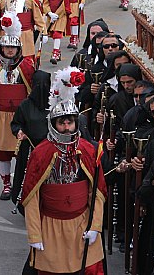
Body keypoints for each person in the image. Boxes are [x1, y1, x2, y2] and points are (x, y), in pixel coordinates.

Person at [22, 67, 106, 274]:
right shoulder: (41, 153)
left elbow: (97, 192)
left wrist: (95, 226)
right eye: (62, 122)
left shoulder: (87, 149)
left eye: (70, 122)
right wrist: (34, 235)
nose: (67, 126)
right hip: (51, 228)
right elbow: (31, 197)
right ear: (54, 123)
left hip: (82, 224)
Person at [0, 12, 35, 200]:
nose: (9, 50)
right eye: (6, 47)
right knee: (2, 153)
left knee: (24, 152)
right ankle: (6, 185)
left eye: (13, 48)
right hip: (1, 115)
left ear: (18, 49)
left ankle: (22, 183)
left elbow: (32, 93)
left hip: (20, 117)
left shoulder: (27, 68)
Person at [10, 70, 50, 211]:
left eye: (45, 84)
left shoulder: (53, 103)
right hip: (29, 147)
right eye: (38, 85)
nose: (41, 88)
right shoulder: (25, 105)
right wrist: (19, 131)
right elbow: (16, 123)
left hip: (49, 149)